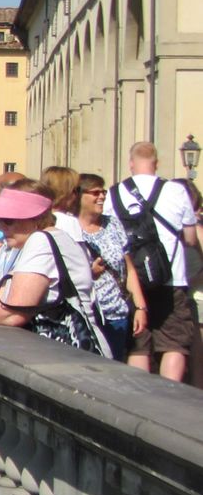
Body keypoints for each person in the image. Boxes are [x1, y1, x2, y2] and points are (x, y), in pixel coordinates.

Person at [0, 186, 109, 357]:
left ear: (36, 219)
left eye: (9, 220)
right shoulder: (25, 245)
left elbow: (12, 316)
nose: (2, 227)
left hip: (71, 356)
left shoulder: (41, 242)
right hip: (57, 355)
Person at [105, 141, 200, 381]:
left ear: (131, 163)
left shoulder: (115, 193)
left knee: (139, 342)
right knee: (174, 343)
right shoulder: (175, 190)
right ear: (156, 164)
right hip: (171, 278)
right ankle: (169, 397)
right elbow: (190, 238)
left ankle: (139, 397)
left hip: (133, 281)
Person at [75, 173, 145, 362]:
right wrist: (90, 273)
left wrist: (140, 307)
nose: (102, 197)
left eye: (103, 192)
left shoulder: (113, 224)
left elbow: (129, 268)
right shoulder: (70, 227)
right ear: (79, 196)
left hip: (116, 314)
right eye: (95, 192)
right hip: (87, 316)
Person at [42, 165, 84, 239]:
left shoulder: (36, 220)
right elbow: (76, 250)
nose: (79, 195)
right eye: (77, 190)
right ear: (65, 192)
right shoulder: (69, 221)